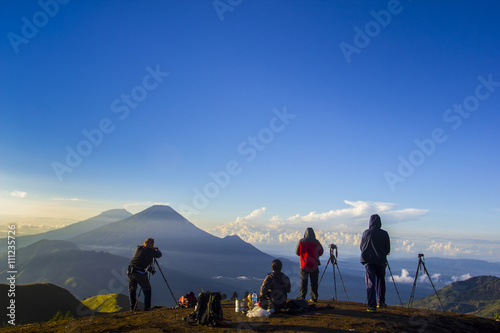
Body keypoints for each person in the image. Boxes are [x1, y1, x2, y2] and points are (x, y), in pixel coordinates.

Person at [360, 214, 391, 312]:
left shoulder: (366, 233)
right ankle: (381, 302)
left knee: (371, 282)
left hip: (368, 261)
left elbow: (362, 246)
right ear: (380, 222)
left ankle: (372, 305)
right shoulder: (384, 233)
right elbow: (387, 249)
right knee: (381, 281)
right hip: (381, 260)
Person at [127, 237, 162, 311]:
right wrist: (156, 249)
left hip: (130, 270)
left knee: (132, 289)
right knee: (147, 289)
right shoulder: (150, 250)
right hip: (139, 272)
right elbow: (159, 254)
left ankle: (133, 307)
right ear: (152, 244)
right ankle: (147, 307)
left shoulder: (138, 247)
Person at [295, 227, 324, 302]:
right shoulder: (316, 242)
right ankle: (314, 298)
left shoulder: (301, 241)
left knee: (303, 282)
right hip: (314, 265)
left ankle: (302, 297)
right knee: (314, 282)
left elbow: (297, 252)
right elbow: (321, 252)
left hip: (304, 265)